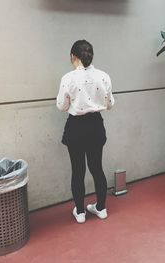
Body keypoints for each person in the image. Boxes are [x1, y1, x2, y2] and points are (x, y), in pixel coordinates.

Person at [56, 40, 114, 224]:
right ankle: (101, 208)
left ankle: (80, 212)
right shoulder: (104, 76)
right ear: (91, 56)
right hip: (96, 126)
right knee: (97, 168)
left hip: (76, 128)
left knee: (78, 170)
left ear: (73, 57)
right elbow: (109, 104)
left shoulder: (68, 78)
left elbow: (62, 106)